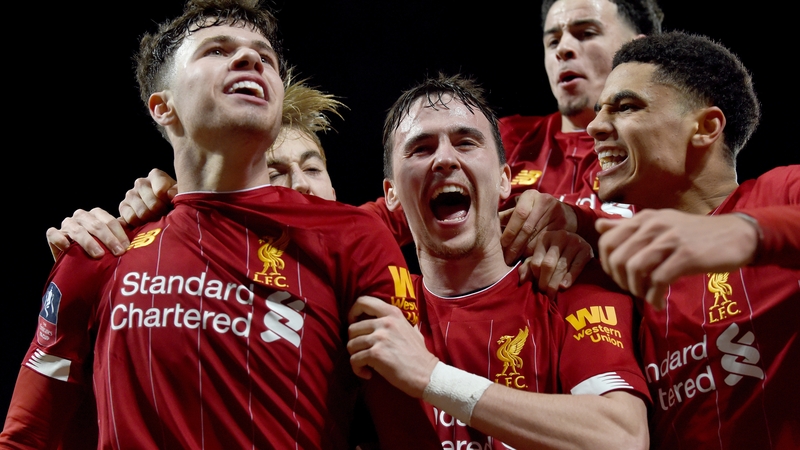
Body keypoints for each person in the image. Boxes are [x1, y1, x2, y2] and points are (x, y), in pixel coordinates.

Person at [1, 1, 425, 448]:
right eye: (216, 50)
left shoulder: (353, 238)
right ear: (163, 107)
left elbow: (407, 433)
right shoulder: (99, 249)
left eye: (265, 56)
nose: (250, 59)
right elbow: (28, 435)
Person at [347, 74, 650, 450]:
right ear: (391, 196)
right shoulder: (379, 315)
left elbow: (621, 438)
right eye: (421, 149)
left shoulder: (568, 281)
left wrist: (431, 377)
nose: (444, 159)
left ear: (505, 181)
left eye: (465, 142)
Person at [584, 31, 798, 448]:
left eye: (626, 106)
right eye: (598, 111)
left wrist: (743, 231)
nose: (593, 126)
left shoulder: (780, 192)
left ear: (705, 127)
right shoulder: (617, 275)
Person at [498, 0, 663, 265]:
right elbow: (412, 223)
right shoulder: (500, 139)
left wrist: (581, 224)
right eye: (552, 41)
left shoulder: (672, 147)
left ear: (638, 51)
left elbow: (694, 241)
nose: (562, 49)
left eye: (586, 34)